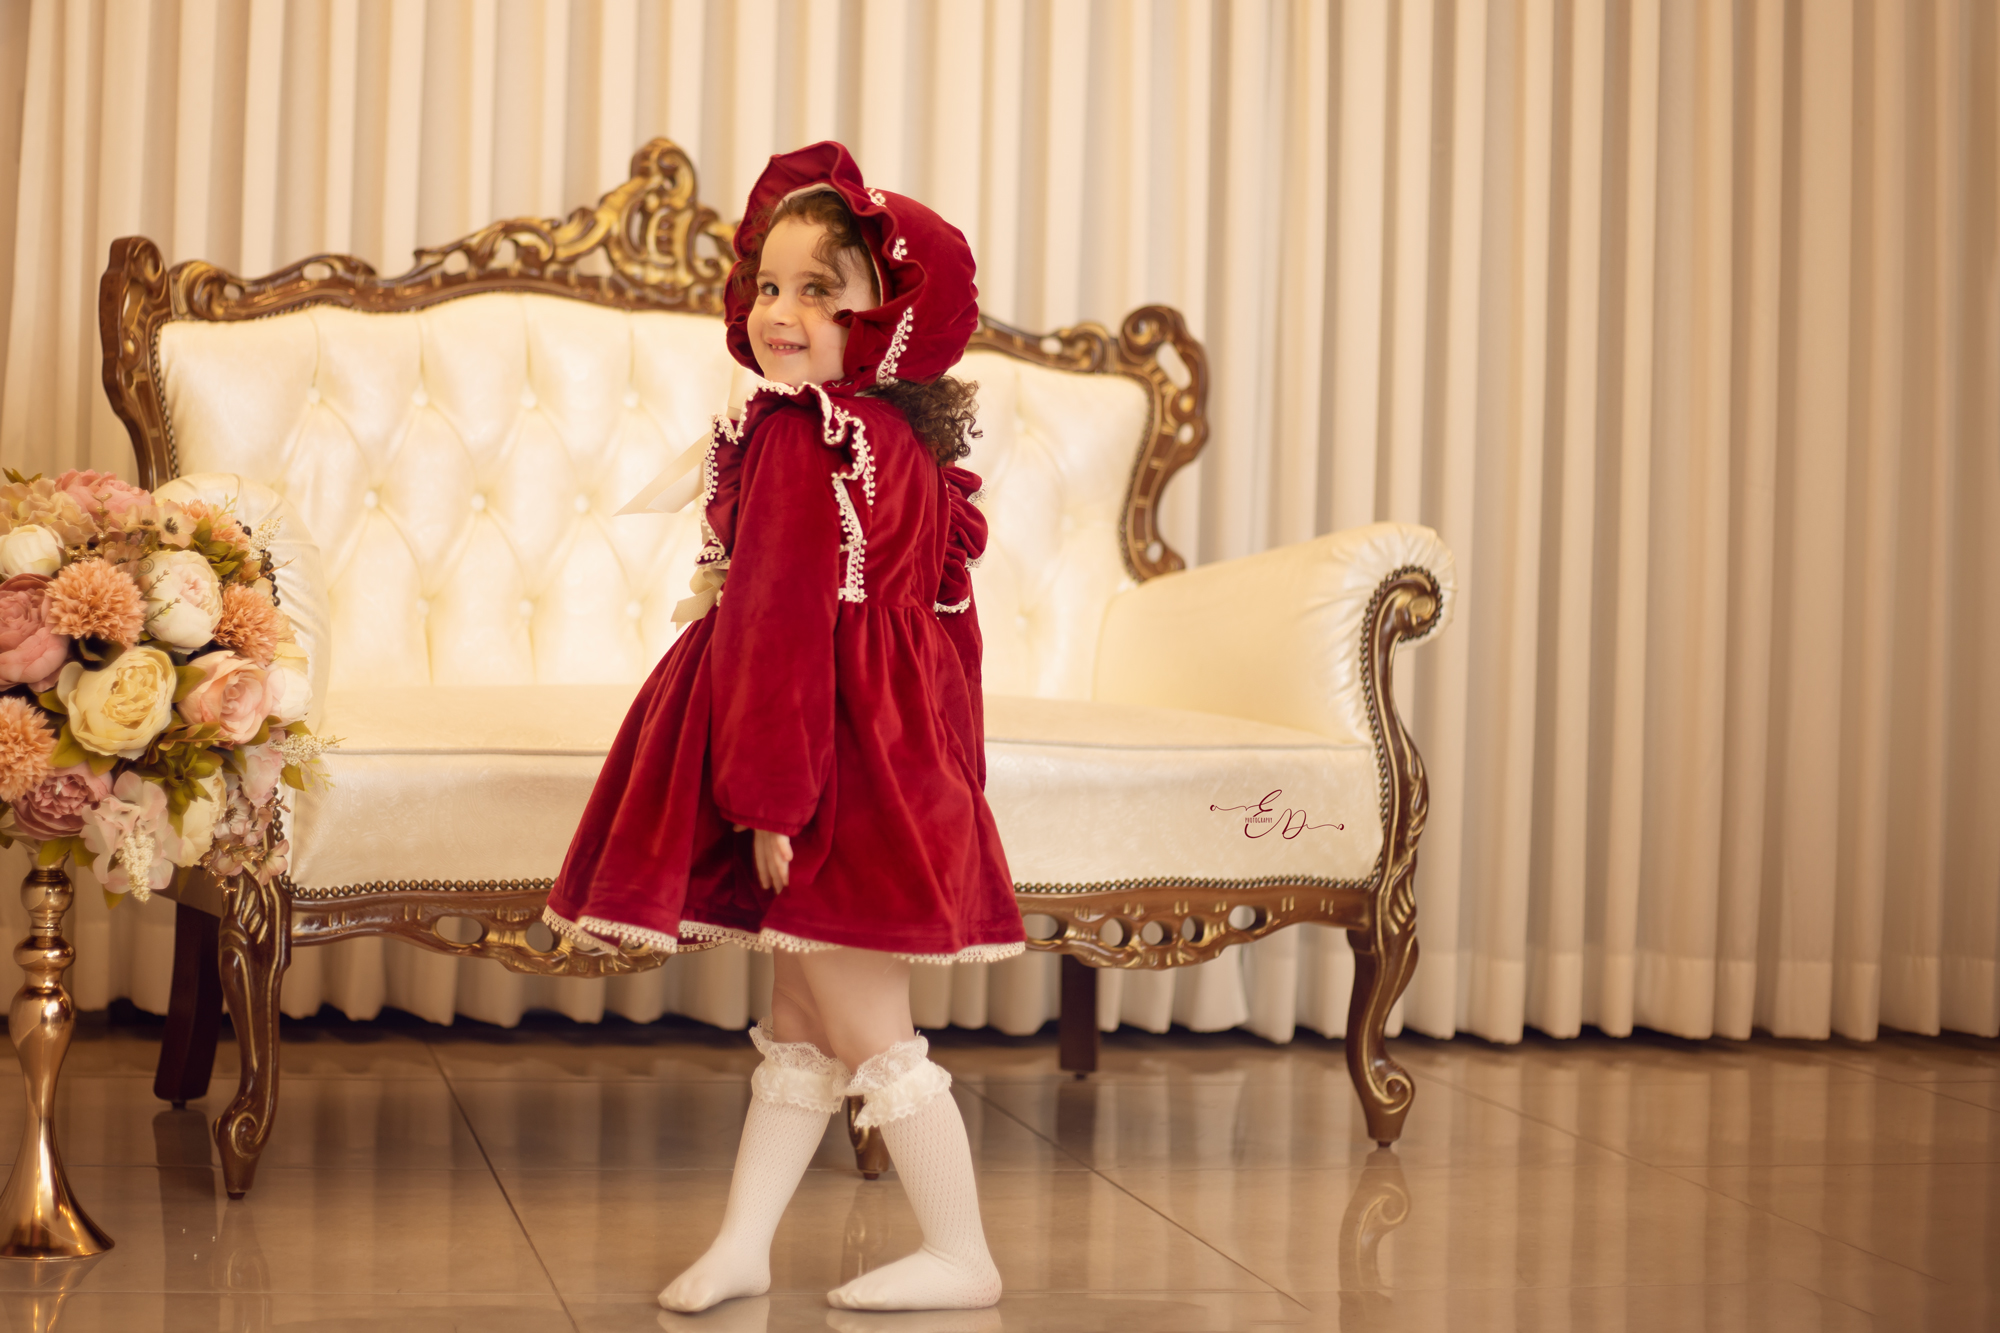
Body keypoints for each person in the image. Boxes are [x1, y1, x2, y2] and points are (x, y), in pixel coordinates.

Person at [542, 141, 1023, 1314]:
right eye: (767, 284)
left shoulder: (809, 438)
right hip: (881, 758)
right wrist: (947, 773)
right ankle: (743, 1243)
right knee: (801, 1022)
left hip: (825, 774)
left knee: (868, 1028)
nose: (779, 311)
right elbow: (945, 636)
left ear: (888, 319)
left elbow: (777, 629)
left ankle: (960, 1250)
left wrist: (769, 802)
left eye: (819, 289)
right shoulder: (895, 443)